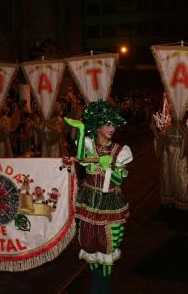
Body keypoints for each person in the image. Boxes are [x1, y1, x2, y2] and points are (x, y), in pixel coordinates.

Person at [65, 99, 133, 294]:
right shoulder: (86, 144)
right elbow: (80, 158)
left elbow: (120, 180)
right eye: (107, 124)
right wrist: (80, 129)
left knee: (107, 246)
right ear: (97, 125)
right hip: (88, 200)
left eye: (113, 124)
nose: (111, 128)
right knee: (88, 243)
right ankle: (96, 285)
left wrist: (109, 167)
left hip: (110, 201)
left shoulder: (120, 151)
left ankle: (104, 287)